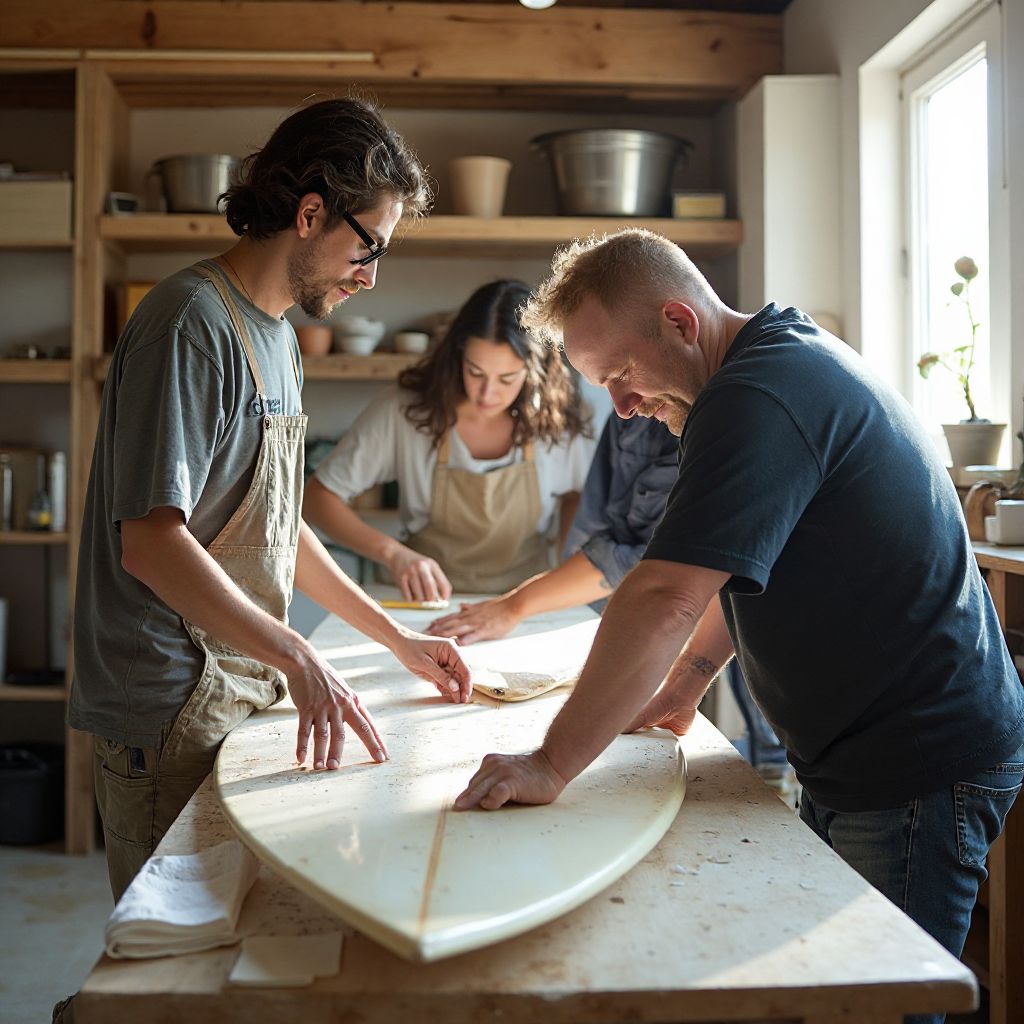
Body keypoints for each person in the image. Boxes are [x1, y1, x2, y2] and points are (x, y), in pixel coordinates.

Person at [453, 228, 1024, 1021]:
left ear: (679, 322)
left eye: (620, 374)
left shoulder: (756, 395)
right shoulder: (772, 360)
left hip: (915, 762)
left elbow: (666, 594)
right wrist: (689, 677)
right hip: (866, 754)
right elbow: (742, 559)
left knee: (879, 1003)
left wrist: (551, 763)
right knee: (834, 992)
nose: (622, 406)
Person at [69, 98, 473, 904]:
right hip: (167, 700)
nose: (371, 275)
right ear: (310, 213)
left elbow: (276, 526)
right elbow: (150, 544)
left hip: (237, 680)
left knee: (245, 929)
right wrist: (299, 655)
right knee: (176, 946)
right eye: (367, 247)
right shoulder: (189, 323)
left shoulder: (280, 337)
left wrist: (397, 638)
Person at [303, 279, 595, 602]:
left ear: (535, 369)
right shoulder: (405, 411)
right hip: (422, 600)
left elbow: (577, 496)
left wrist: (565, 563)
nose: (487, 393)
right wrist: (392, 554)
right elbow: (317, 498)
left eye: (507, 379)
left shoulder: (559, 422)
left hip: (524, 601)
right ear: (457, 355)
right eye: (475, 372)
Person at [426, 413, 679, 642]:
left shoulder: (691, 434)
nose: (621, 405)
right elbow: (593, 526)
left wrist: (513, 607)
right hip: (586, 611)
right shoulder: (626, 411)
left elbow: (646, 558)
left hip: (661, 617)